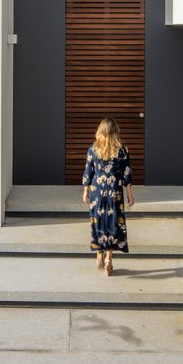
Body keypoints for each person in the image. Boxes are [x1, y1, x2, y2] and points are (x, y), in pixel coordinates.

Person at [81, 116, 134, 275]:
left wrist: (85, 191)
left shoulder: (93, 149)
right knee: (113, 224)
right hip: (114, 192)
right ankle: (109, 259)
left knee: (99, 223)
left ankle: (99, 253)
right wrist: (130, 195)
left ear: (100, 131)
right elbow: (127, 174)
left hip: (97, 192)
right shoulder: (122, 150)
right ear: (115, 131)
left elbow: (88, 172)